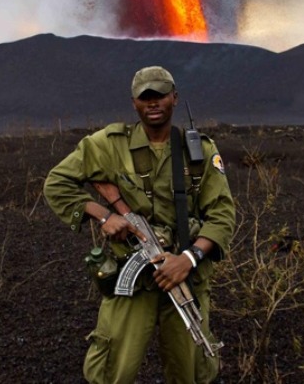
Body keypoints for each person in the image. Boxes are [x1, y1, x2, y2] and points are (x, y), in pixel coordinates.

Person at [44, 65, 235, 384]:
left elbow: (222, 214)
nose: (153, 103)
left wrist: (187, 259)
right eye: (145, 97)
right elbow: (57, 183)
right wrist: (104, 215)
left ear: (174, 97)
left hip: (184, 275)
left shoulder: (199, 151)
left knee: (190, 369)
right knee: (113, 370)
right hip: (131, 281)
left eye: (160, 94)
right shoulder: (107, 145)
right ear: (134, 102)